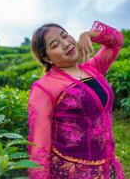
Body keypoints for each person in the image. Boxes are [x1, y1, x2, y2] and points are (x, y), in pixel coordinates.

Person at [27, 21, 125, 179]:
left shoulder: (93, 68)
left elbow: (117, 40)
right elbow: (40, 144)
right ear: (47, 58)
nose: (66, 44)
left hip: (109, 165)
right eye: (55, 44)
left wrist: (89, 35)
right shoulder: (44, 88)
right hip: (73, 172)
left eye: (65, 36)